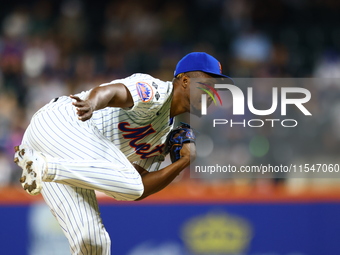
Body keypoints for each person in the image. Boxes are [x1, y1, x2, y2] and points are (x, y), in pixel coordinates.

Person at [14, 52, 230, 255]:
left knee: (93, 241)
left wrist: (183, 162)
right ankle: (45, 167)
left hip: (58, 159)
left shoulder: (165, 137)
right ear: (184, 81)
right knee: (130, 182)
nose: (213, 94)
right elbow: (113, 91)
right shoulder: (156, 91)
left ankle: (43, 168)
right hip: (62, 122)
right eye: (208, 85)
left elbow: (138, 189)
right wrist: (91, 102)